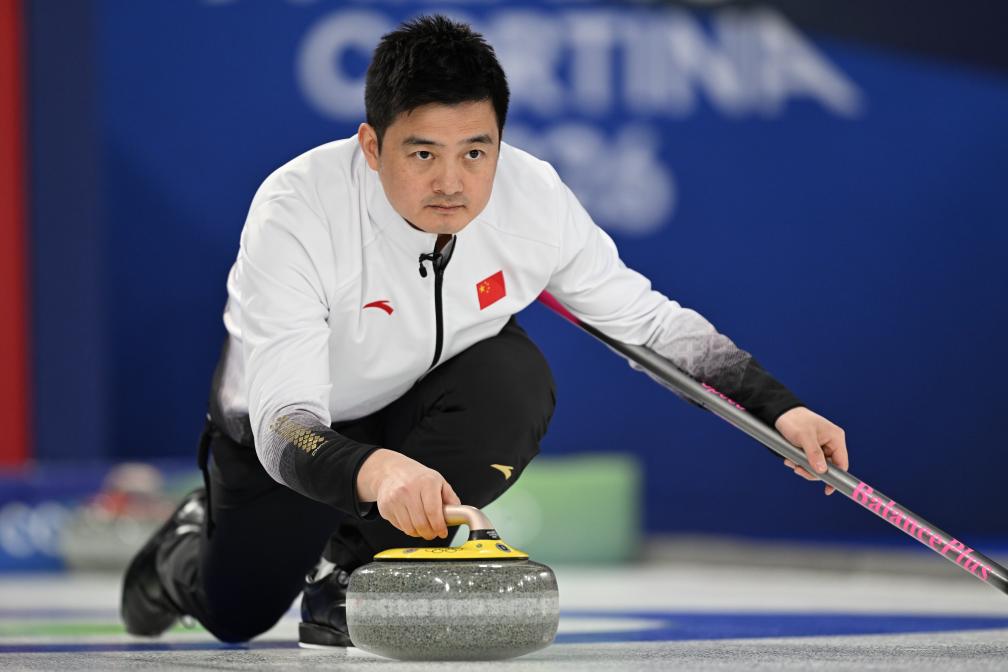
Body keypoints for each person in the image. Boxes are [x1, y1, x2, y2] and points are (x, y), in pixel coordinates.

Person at [120, 14, 848, 647]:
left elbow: (650, 325)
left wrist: (777, 409)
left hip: (416, 405)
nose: (452, 183)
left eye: (476, 151)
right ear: (372, 146)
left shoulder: (532, 198)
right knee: (238, 613)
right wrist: (377, 470)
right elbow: (283, 427)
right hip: (292, 436)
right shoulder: (296, 210)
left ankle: (352, 573)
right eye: (422, 153)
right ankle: (182, 548)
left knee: (513, 379)